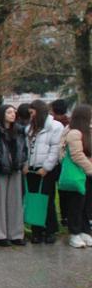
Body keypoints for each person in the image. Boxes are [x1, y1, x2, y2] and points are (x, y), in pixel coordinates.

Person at [0, 105, 28, 247]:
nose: (12, 114)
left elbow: (24, 147)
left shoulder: (20, 130)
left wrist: (23, 162)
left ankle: (16, 234)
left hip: (16, 168)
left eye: (14, 112)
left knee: (15, 201)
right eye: (9, 112)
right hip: (0, 169)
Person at [26, 99, 64, 244]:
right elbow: (27, 147)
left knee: (47, 200)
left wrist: (47, 167)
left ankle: (50, 230)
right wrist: (26, 164)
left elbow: (55, 149)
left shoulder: (55, 126)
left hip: (47, 169)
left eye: (32, 112)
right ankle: (36, 230)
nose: (31, 115)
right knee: (34, 200)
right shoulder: (30, 127)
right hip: (32, 169)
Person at [58, 104, 92, 248]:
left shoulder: (88, 131)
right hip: (79, 173)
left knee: (86, 205)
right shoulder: (73, 133)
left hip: (86, 174)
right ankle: (75, 233)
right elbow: (77, 155)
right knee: (76, 205)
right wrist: (90, 169)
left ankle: (85, 231)